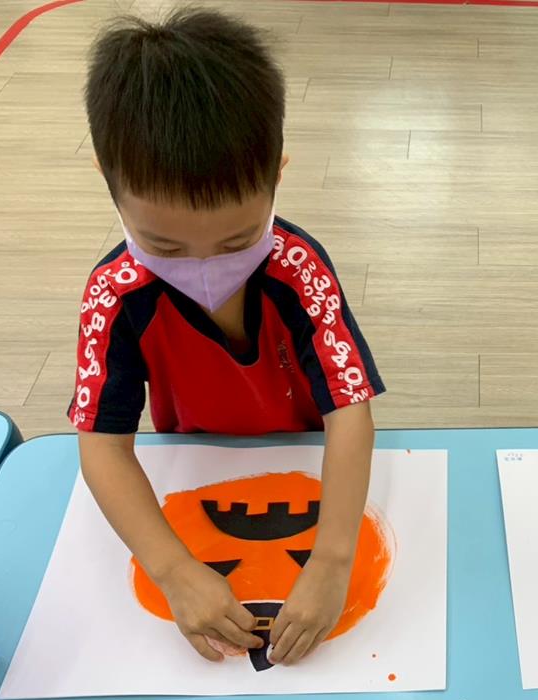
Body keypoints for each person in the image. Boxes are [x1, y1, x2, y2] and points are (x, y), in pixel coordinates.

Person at [70, 9, 384, 666]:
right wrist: (173, 569)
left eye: (239, 239)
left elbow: (350, 412)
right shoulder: (114, 294)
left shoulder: (299, 268)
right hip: (195, 461)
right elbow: (102, 446)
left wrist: (332, 559)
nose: (206, 265)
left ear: (276, 174)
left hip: (308, 455)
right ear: (107, 181)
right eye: (164, 245)